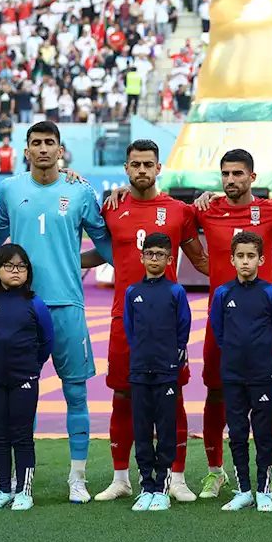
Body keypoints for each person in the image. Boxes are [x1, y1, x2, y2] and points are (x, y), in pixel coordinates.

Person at [0, 121, 114, 503]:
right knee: (22, 397)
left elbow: (108, 245)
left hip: (67, 305)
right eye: (36, 143)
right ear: (25, 150)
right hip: (21, 308)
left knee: (76, 393)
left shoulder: (80, 190)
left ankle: (77, 479)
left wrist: (73, 260)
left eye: (50, 143)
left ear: (61, 150)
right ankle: (18, 479)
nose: (43, 149)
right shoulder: (10, 190)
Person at [90, 140, 209, 504]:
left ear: (159, 169)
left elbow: (201, 259)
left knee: (172, 398)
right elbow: (103, 251)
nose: (142, 170)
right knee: (123, 395)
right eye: (135, 164)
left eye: (148, 164)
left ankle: (176, 478)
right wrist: (60, 263)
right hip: (123, 319)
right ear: (126, 169)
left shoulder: (179, 211)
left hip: (168, 322)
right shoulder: (111, 207)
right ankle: (121, 478)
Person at [193, 150, 272, 499]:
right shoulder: (206, 209)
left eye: (238, 173)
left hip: (262, 322)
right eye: (225, 174)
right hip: (221, 321)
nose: (231, 180)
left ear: (252, 176)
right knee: (215, 393)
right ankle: (215, 472)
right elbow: (173, 223)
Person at [209, 231, 272, 512]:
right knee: (238, 433)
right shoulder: (223, 294)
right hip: (232, 374)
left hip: (262, 373)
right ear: (232, 259)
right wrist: (234, 353)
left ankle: (264, 490)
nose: (245, 262)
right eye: (240, 256)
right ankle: (243, 489)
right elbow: (219, 331)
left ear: (261, 260)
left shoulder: (271, 293)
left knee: (264, 432)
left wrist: (261, 354)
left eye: (250, 256)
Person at [0, 244, 54, 511]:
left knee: (21, 435)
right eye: (9, 266)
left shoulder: (35, 303)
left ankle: (24, 491)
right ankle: (3, 489)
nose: (16, 271)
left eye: (21, 266)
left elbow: (46, 341)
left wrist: (31, 367)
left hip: (24, 378)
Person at [123, 233, 192, 513]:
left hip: (166, 372)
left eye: (160, 254)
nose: (154, 259)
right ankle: (146, 487)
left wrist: (171, 359)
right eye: (149, 253)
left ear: (169, 259)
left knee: (165, 430)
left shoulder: (176, 292)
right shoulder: (132, 292)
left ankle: (162, 488)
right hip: (140, 371)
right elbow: (130, 329)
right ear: (141, 257)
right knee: (141, 431)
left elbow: (183, 330)